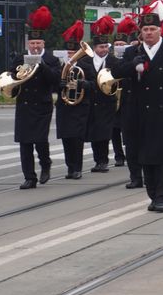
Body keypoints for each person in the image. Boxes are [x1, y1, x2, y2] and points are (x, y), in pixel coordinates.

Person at [111, 10, 163, 213]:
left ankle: (162, 196)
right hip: (139, 112)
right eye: (145, 29)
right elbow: (115, 73)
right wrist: (133, 65)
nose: (148, 33)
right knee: (144, 156)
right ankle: (153, 194)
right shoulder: (133, 52)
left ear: (160, 31)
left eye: (152, 29)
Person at [13, 6, 61, 189]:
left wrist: (41, 65)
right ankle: (29, 177)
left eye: (38, 44)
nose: (35, 47)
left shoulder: (51, 60)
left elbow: (56, 79)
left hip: (42, 105)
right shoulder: (20, 58)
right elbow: (12, 76)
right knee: (25, 143)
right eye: (32, 44)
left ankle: (46, 163)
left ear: (43, 44)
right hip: (24, 105)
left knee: (40, 140)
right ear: (28, 44)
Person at [55, 20, 91, 181]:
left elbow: (94, 85)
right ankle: (70, 167)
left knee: (77, 139)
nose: (70, 56)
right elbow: (50, 85)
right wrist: (59, 84)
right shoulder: (58, 67)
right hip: (64, 106)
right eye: (68, 53)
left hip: (79, 106)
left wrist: (84, 83)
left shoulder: (86, 66)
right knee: (66, 138)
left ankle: (77, 168)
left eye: (73, 53)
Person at [85, 15, 119, 173]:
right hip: (92, 102)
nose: (104, 50)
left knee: (104, 133)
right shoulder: (85, 61)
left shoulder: (113, 61)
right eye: (101, 47)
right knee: (93, 133)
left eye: (106, 46)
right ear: (95, 48)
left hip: (107, 102)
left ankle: (103, 161)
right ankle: (97, 160)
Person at [112, 16, 138, 167]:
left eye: (122, 44)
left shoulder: (129, 58)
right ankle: (118, 156)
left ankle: (129, 154)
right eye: (117, 44)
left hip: (127, 98)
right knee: (114, 130)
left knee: (127, 130)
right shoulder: (111, 59)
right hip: (113, 98)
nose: (119, 46)